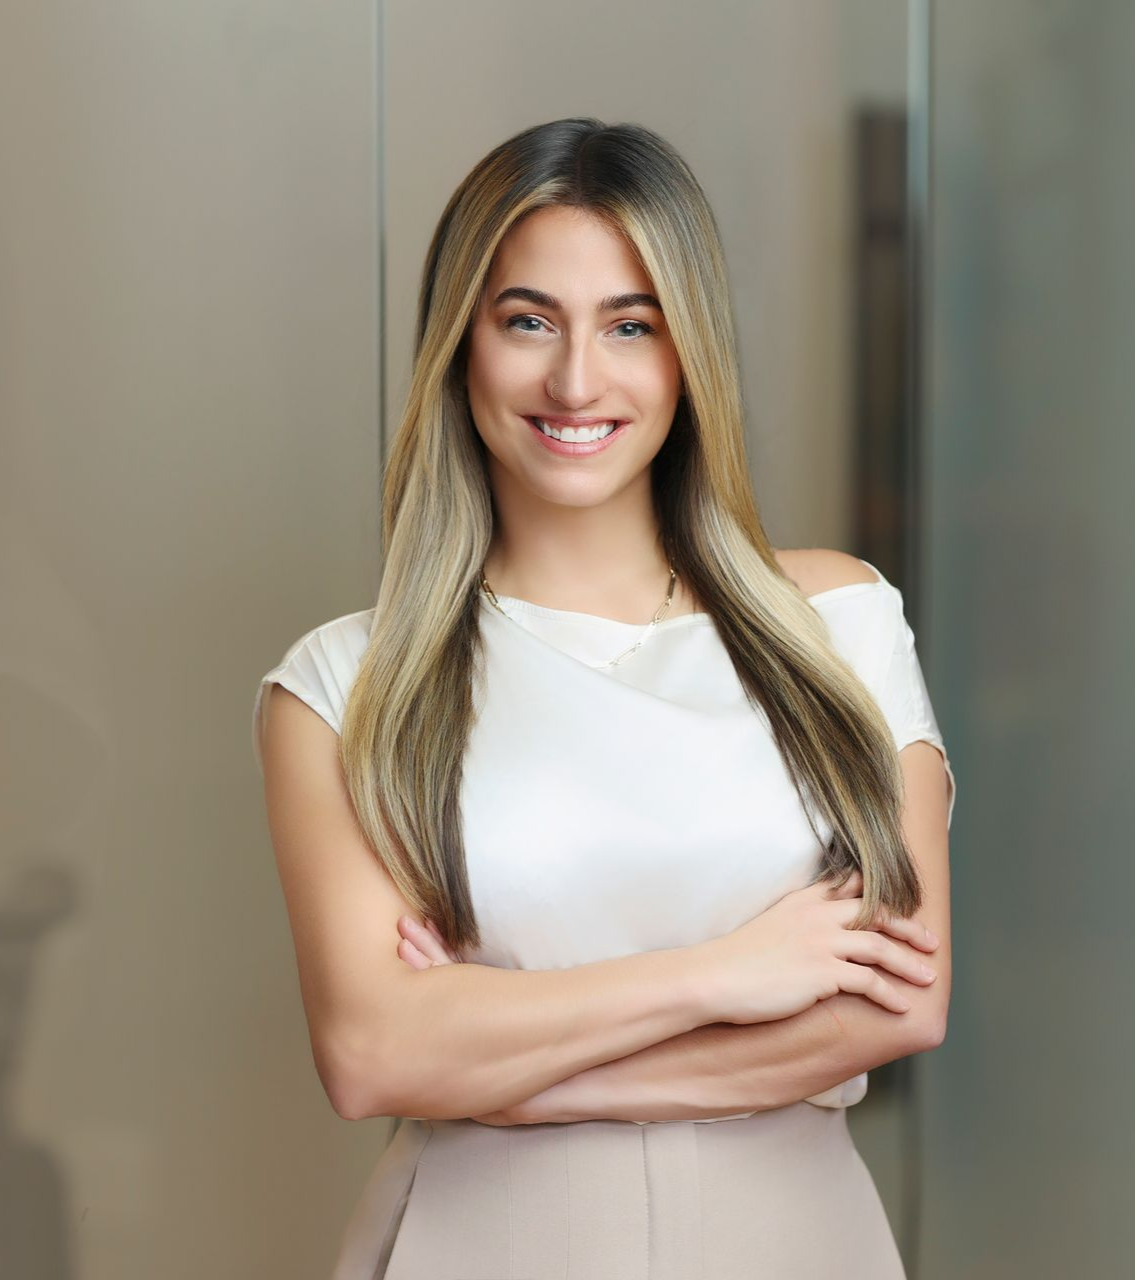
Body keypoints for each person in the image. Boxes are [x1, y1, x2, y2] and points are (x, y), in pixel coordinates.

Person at [253, 117, 955, 1280]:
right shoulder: (342, 686)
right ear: (459, 346)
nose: (575, 379)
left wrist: (512, 1069)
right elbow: (374, 1054)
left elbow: (896, 1005)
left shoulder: (834, 621)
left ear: (689, 355)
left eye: (630, 324)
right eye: (526, 320)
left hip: (796, 1242)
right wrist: (721, 974)